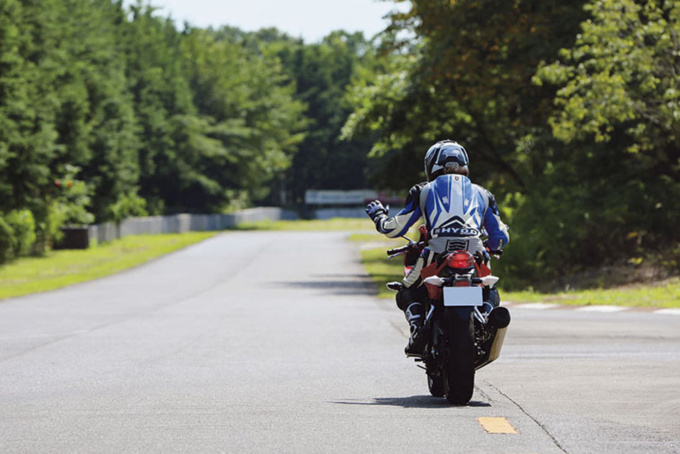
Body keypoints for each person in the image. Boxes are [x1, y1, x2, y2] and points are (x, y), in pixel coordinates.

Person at [365, 140, 510, 355]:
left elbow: (393, 229)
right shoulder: (483, 194)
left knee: (407, 290)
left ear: (431, 165)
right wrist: (492, 246)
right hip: (475, 252)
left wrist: (378, 216)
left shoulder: (423, 190)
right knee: (490, 290)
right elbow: (500, 236)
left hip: (435, 252)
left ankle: (417, 330)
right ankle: (487, 319)